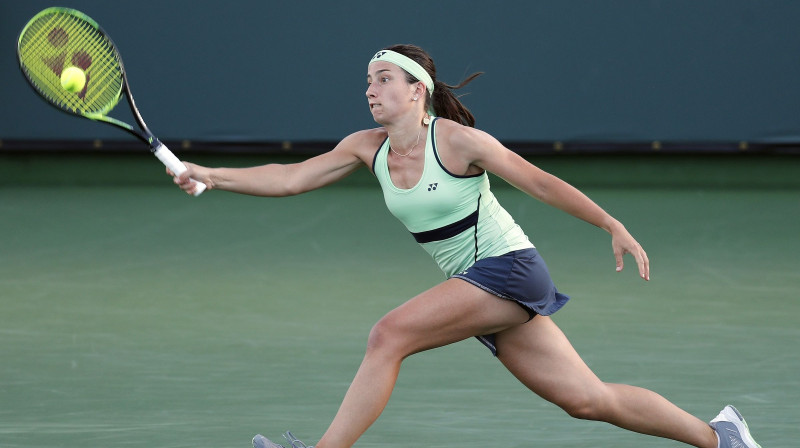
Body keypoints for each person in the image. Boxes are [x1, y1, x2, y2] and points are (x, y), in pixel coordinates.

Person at [170, 44, 761, 448]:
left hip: (508, 271)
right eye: (367, 81)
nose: (370, 89)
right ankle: (721, 437)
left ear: (417, 89)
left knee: (388, 335)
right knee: (587, 400)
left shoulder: (456, 141)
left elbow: (540, 181)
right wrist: (212, 174)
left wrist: (610, 222)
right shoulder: (365, 146)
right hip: (479, 290)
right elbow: (291, 176)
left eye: (383, 79)